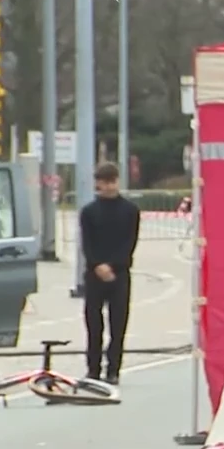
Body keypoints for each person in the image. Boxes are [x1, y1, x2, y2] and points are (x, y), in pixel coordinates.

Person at [79, 162, 141, 384]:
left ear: (117, 181)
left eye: (112, 181)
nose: (108, 186)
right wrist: (97, 265)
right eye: (104, 182)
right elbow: (87, 244)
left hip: (120, 274)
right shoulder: (88, 212)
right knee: (94, 325)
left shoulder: (130, 211)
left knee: (118, 324)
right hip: (95, 274)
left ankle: (113, 369)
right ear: (98, 183)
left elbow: (129, 243)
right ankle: (93, 369)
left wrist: (113, 266)